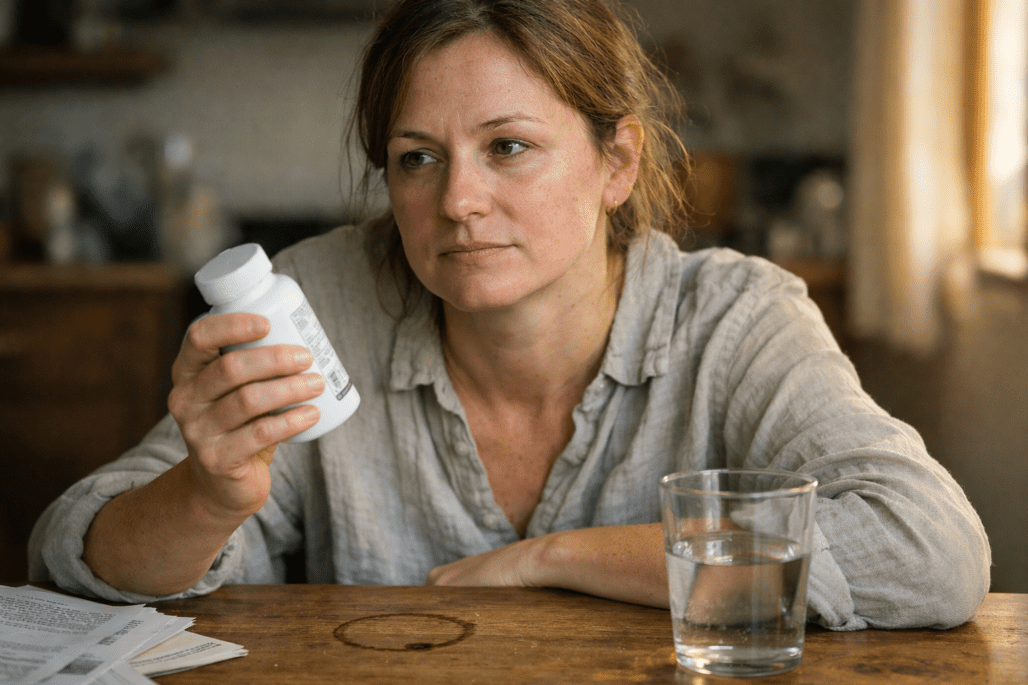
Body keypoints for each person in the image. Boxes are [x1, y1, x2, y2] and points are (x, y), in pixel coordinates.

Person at [30, 0, 990, 631]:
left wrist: (550, 561)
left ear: (617, 163)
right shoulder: (319, 302)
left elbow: (928, 550)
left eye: (509, 147)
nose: (457, 201)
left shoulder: (736, 320)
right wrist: (206, 496)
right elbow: (70, 554)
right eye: (417, 157)